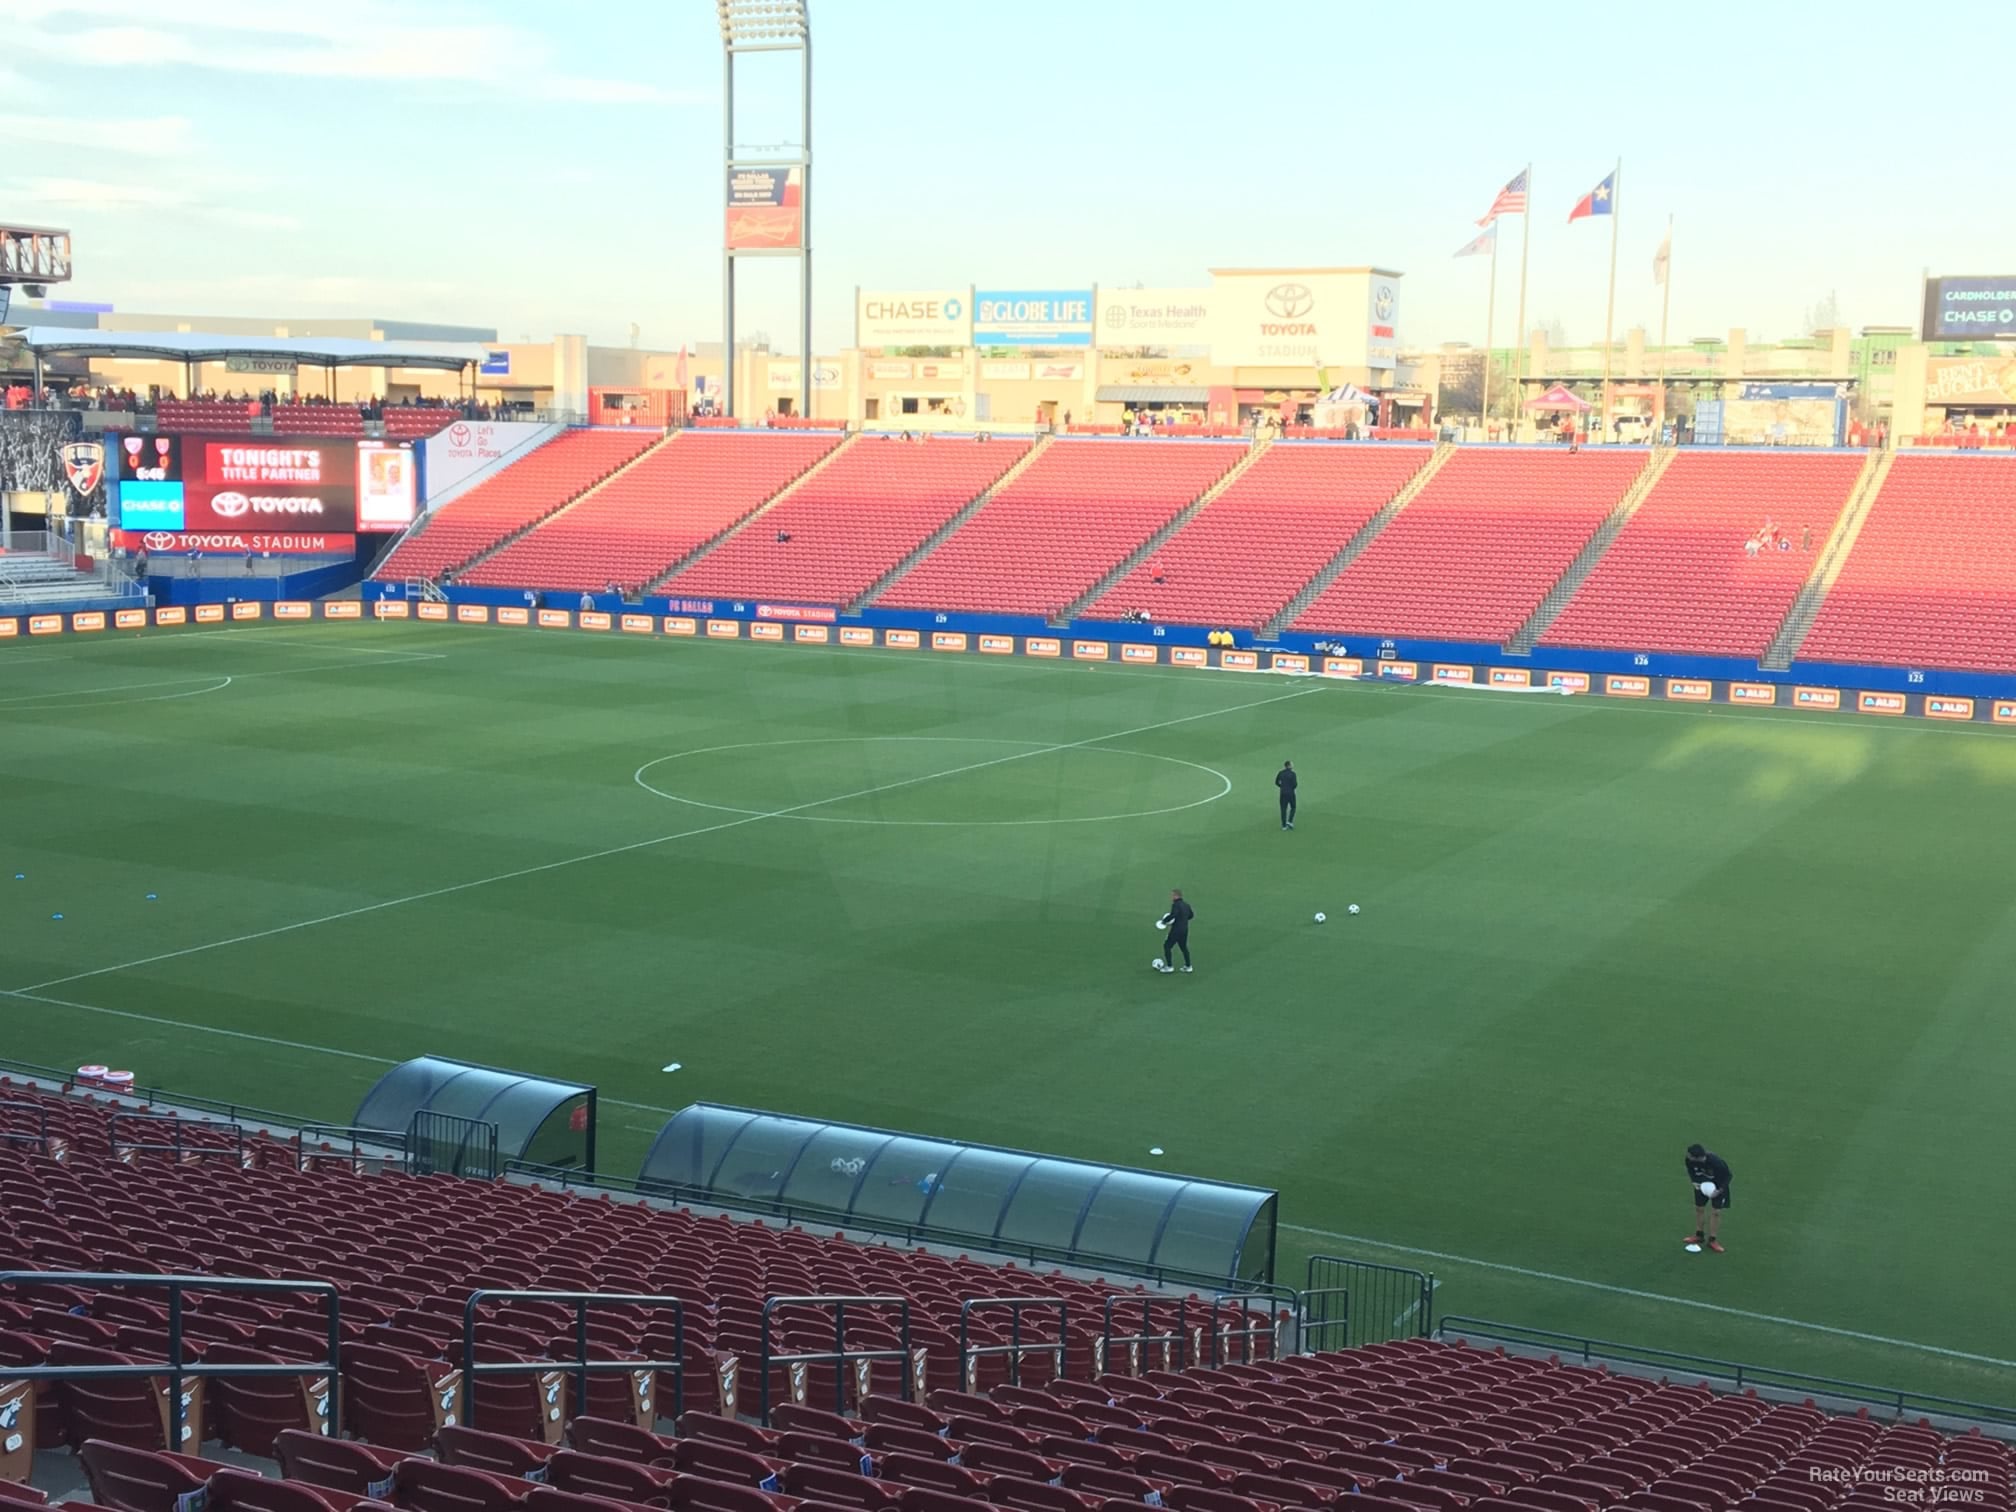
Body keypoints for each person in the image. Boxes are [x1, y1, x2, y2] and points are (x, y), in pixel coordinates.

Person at [1683, 1143, 1733, 1252]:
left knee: (1716, 1212)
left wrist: (1719, 1191)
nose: (1688, 1157)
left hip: (1718, 1187)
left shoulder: (1716, 1162)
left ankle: (1712, 1240)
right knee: (1699, 1208)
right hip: (1702, 1184)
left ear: (1698, 1157)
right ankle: (1699, 1235)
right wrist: (1695, 1182)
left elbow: (1729, 1176)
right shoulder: (1689, 1160)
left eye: (1690, 1155)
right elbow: (1691, 1171)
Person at [1152, 890, 1194, 974]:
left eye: (1172, 896)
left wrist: (1164, 921)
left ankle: (1169, 967)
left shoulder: (1176, 905)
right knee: (1183, 947)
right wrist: (1183, 920)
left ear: (1176, 896)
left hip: (1176, 930)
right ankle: (1188, 966)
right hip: (1185, 930)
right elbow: (1191, 915)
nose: (1171, 897)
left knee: (1167, 946)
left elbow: (1173, 915)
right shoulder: (1186, 905)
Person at [1276, 760, 1298, 831]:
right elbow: (1295, 784)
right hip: (1291, 793)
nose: (1292, 765)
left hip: (1283, 793)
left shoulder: (1281, 773)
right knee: (1293, 807)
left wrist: (1282, 786)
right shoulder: (1293, 774)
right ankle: (1290, 821)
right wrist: (1291, 788)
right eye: (1291, 764)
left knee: (1283, 809)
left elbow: (1276, 782)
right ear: (1288, 765)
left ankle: (1284, 826)